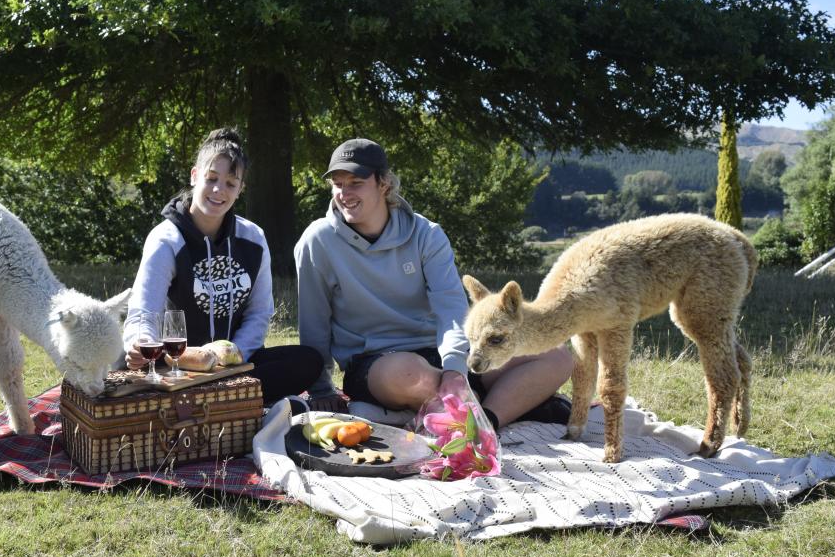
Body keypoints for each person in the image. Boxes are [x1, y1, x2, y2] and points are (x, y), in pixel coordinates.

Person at [294, 138, 573, 431]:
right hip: (378, 365)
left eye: (356, 182)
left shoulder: (426, 234)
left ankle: (486, 419)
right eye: (338, 184)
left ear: (384, 184)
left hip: (442, 353)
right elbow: (314, 322)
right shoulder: (318, 241)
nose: (344, 193)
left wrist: (454, 369)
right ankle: (507, 402)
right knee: (406, 375)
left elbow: (451, 309)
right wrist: (322, 390)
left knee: (555, 355)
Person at [123, 128, 323, 406]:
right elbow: (144, 312)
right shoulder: (166, 239)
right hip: (178, 366)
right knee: (132, 367)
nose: (219, 190)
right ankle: (233, 403)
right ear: (195, 176)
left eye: (231, 183)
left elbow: (259, 313)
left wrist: (233, 355)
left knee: (308, 361)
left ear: (241, 189)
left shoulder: (253, 238)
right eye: (211, 178)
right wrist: (140, 342)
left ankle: (214, 400)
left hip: (235, 367)